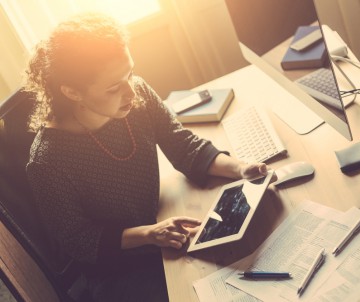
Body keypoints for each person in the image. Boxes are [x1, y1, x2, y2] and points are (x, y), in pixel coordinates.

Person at [24, 12, 271, 302]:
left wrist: (242, 169)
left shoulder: (137, 93)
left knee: (256, 252)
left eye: (129, 73)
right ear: (72, 92)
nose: (131, 90)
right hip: (118, 269)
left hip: (161, 233)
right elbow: (80, 241)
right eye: (114, 87)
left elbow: (183, 146)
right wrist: (149, 234)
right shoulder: (47, 161)